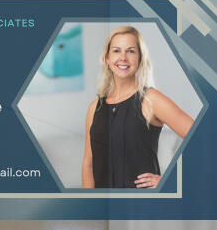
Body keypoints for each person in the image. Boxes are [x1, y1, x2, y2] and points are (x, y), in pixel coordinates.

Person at [83, 25, 196, 189]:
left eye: (131, 51)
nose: (123, 57)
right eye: (116, 51)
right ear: (107, 58)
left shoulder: (151, 99)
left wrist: (170, 179)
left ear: (140, 58)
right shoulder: (94, 108)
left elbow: (203, 137)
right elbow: (88, 165)